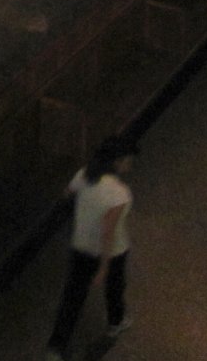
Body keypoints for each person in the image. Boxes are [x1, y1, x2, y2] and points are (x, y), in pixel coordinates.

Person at [44, 135, 138, 361]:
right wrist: (104, 266)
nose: (130, 164)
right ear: (117, 161)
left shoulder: (84, 174)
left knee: (72, 297)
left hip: (81, 247)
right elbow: (108, 231)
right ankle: (116, 323)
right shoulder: (119, 193)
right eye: (128, 160)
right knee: (114, 288)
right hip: (113, 252)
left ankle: (56, 348)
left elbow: (67, 193)